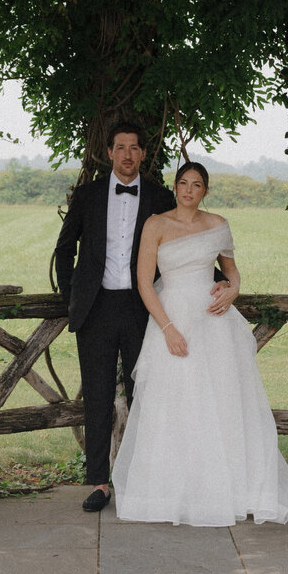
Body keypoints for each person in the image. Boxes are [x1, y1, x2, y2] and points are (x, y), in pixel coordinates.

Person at [112, 160, 288, 527]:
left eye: (196, 184)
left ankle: (226, 489)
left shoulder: (217, 225)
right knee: (173, 401)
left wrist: (233, 288)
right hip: (173, 318)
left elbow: (231, 270)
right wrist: (168, 329)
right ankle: (171, 491)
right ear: (175, 187)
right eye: (183, 183)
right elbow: (145, 282)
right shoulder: (156, 225)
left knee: (220, 401)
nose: (189, 190)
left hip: (213, 322)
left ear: (205, 191)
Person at [53, 122, 176, 512]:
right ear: (109, 152)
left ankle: (145, 480)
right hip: (96, 308)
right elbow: (65, 246)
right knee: (98, 397)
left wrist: (221, 280)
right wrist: (73, 295)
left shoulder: (160, 196)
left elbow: (183, 243)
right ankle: (100, 484)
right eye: (120, 147)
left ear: (143, 154)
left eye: (134, 148)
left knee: (147, 395)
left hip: (144, 308)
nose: (127, 154)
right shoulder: (87, 195)